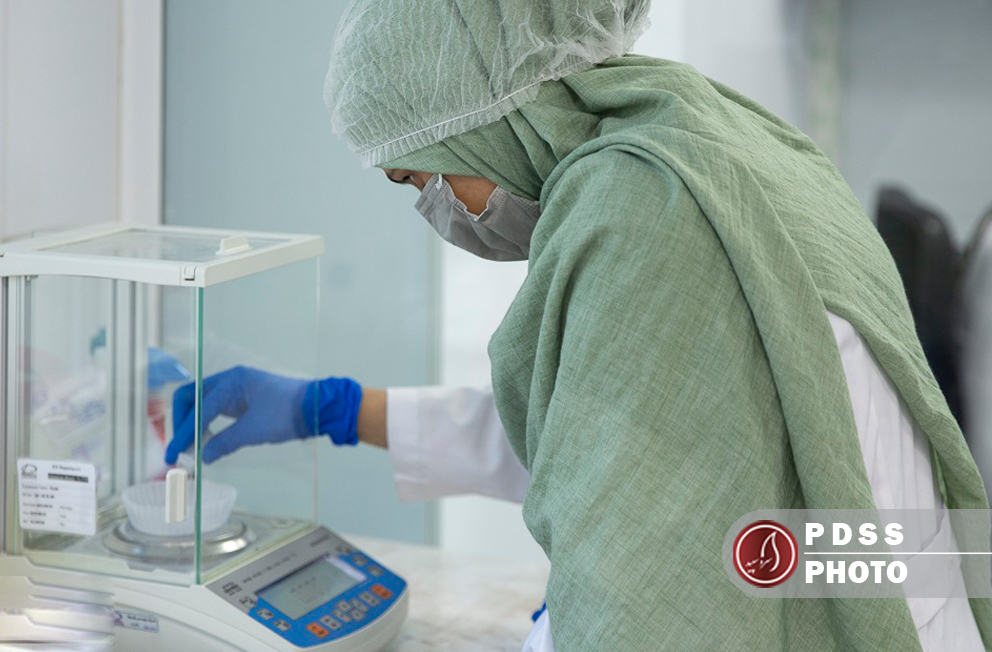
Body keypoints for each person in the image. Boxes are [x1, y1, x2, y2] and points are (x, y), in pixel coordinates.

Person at [167, 1, 992, 650]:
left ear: (480, 121)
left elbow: (633, 588)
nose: (436, 209)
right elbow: (617, 422)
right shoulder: (713, 134)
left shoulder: (640, 207)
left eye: (418, 178)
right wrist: (337, 409)